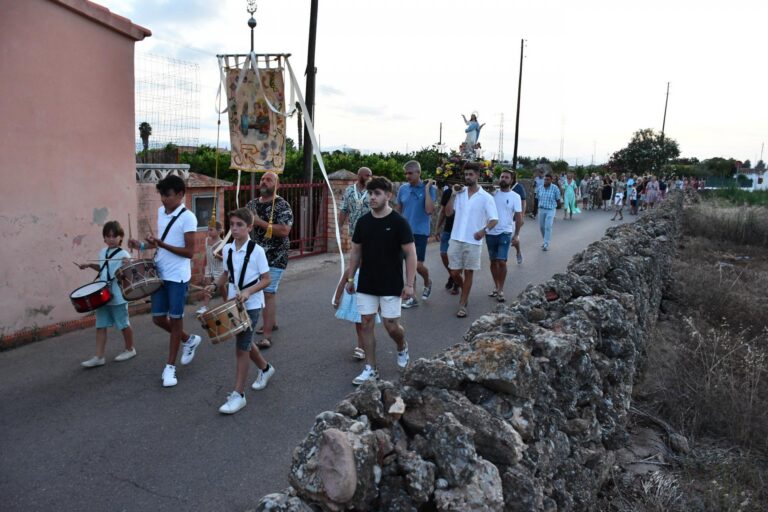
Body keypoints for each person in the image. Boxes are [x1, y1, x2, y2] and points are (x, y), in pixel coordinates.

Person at [128, 175, 202, 388]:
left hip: (177, 276)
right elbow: (163, 242)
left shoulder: (188, 218)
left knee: (176, 320)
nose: (163, 199)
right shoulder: (162, 212)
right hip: (160, 273)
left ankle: (170, 367)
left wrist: (161, 244)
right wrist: (143, 246)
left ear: (180, 194)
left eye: (167, 195)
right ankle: (189, 340)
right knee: (159, 319)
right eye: (161, 194)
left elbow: (189, 252)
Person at [346, 176, 417, 385]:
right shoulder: (363, 222)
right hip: (367, 282)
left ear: (388, 195)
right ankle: (371, 369)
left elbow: (410, 254)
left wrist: (409, 284)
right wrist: (350, 278)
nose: (372, 197)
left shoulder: (399, 222)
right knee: (366, 323)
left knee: (391, 326)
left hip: (391, 282)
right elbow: (356, 252)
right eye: (370, 193)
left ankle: (402, 347)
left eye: (377, 193)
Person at [209, 208, 275, 414]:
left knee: (241, 348)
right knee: (244, 342)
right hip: (233, 304)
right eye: (232, 225)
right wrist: (214, 285)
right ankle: (265, 369)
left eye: (239, 225)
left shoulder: (257, 251)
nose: (235, 228)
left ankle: (239, 394)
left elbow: (267, 279)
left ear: (249, 227)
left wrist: (248, 292)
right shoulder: (228, 249)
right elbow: (226, 274)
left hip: (252, 305)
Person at [78, 221, 136, 367]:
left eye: (114, 236)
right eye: (108, 236)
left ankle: (130, 349)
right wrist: (89, 265)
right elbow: (103, 268)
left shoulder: (124, 254)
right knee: (100, 324)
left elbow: (129, 275)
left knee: (123, 324)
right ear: (104, 238)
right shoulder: (103, 252)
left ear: (120, 237)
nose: (111, 239)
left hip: (118, 295)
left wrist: (128, 265)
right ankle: (99, 357)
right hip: (103, 295)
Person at [245, 171, 293, 349]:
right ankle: (271, 322)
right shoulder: (251, 204)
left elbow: (284, 231)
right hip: (256, 256)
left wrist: (259, 222)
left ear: (277, 185)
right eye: (262, 179)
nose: (264, 182)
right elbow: (244, 227)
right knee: (260, 291)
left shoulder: (282, 205)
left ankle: (267, 336)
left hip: (276, 255)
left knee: (268, 292)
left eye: (269, 180)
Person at [444, 167, 499, 318]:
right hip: (456, 238)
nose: (467, 177)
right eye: (466, 174)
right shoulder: (459, 194)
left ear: (477, 175)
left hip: (473, 241)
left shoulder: (486, 197)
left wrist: (483, 231)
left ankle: (463, 304)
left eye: (470, 174)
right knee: (454, 272)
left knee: (469, 272)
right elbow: (448, 213)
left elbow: (494, 219)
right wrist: (453, 194)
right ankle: (464, 290)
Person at [396, 160, 437, 308]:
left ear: (418, 173)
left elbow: (429, 210)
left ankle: (427, 281)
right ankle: (412, 297)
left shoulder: (430, 189)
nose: (407, 176)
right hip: (404, 233)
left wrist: (426, 189)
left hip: (420, 233)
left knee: (418, 265)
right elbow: (399, 210)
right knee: (409, 265)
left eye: (410, 173)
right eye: (406, 173)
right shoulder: (403, 189)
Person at [486, 170, 523, 303]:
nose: (503, 179)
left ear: (511, 180)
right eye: (502, 176)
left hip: (505, 232)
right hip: (490, 232)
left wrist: (516, 234)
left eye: (507, 177)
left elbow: (518, 217)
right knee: (493, 261)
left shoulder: (515, 196)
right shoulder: (492, 194)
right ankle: (496, 286)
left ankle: (501, 289)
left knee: (502, 261)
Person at [196, 221, 225, 315]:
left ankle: (227, 302)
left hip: (219, 268)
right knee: (208, 286)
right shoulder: (207, 240)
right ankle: (205, 306)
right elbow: (206, 255)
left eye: (211, 230)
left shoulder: (222, 243)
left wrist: (218, 256)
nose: (209, 232)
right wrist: (204, 267)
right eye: (208, 229)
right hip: (209, 267)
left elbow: (225, 259)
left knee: (222, 287)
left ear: (219, 231)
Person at [435, 183, 459, 294]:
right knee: (444, 254)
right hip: (448, 229)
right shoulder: (448, 192)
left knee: (457, 258)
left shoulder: (468, 192)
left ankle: (456, 281)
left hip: (461, 232)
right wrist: (437, 228)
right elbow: (443, 211)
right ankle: (453, 276)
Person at [536, 173, 562, 251]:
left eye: (548, 180)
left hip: (551, 209)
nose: (546, 181)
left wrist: (558, 206)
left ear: (551, 180)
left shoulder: (555, 188)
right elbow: (537, 198)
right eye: (545, 179)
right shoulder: (540, 188)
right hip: (541, 209)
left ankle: (546, 243)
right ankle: (545, 239)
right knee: (541, 227)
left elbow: (558, 199)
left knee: (548, 226)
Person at [509, 170, 527, 264]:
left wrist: (522, 216)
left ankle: (518, 252)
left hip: (515, 218)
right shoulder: (502, 187)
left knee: (514, 238)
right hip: (504, 217)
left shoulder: (519, 187)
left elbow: (523, 202)